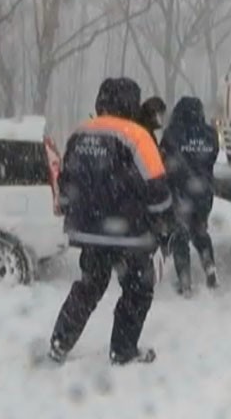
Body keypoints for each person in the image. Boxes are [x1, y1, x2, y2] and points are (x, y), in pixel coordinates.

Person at [48, 77, 175, 366]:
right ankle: (123, 350)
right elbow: (157, 188)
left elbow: (65, 182)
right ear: (131, 102)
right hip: (129, 234)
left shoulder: (80, 133)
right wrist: (164, 224)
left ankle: (59, 342)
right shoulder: (137, 135)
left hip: (88, 231)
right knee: (137, 290)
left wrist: (72, 213)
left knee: (89, 286)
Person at [160, 96, 220, 297]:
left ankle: (185, 281)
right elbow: (212, 158)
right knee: (201, 231)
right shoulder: (211, 135)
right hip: (204, 193)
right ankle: (209, 267)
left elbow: (163, 160)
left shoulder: (172, 134)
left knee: (180, 237)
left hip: (180, 194)